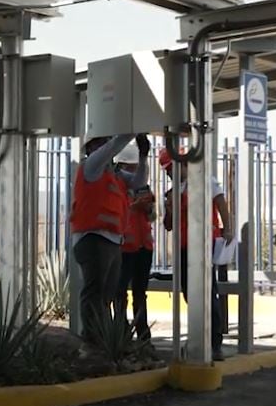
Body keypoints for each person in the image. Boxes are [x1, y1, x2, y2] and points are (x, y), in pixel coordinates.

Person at [71, 133, 150, 346]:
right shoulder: (91, 166)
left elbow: (139, 182)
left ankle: (102, 340)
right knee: (95, 292)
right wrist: (132, 127)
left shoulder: (114, 175)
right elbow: (114, 146)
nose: (104, 146)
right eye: (100, 142)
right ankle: (91, 341)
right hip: (93, 238)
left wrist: (143, 157)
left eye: (104, 142)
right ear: (90, 148)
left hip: (112, 241)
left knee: (106, 295)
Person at [159, 148, 233, 359]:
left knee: (207, 291)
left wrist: (227, 227)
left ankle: (214, 342)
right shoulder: (173, 191)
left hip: (203, 244)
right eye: (167, 171)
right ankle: (199, 335)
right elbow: (168, 225)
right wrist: (170, 209)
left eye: (172, 169)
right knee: (189, 292)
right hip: (184, 247)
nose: (170, 174)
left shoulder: (204, 179)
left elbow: (220, 202)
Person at [113, 143, 155, 342]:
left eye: (134, 167)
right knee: (120, 292)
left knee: (140, 293)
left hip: (143, 247)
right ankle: (120, 333)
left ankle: (143, 334)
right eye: (129, 167)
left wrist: (148, 208)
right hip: (124, 247)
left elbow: (153, 216)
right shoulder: (116, 186)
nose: (132, 171)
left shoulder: (142, 186)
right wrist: (133, 206)